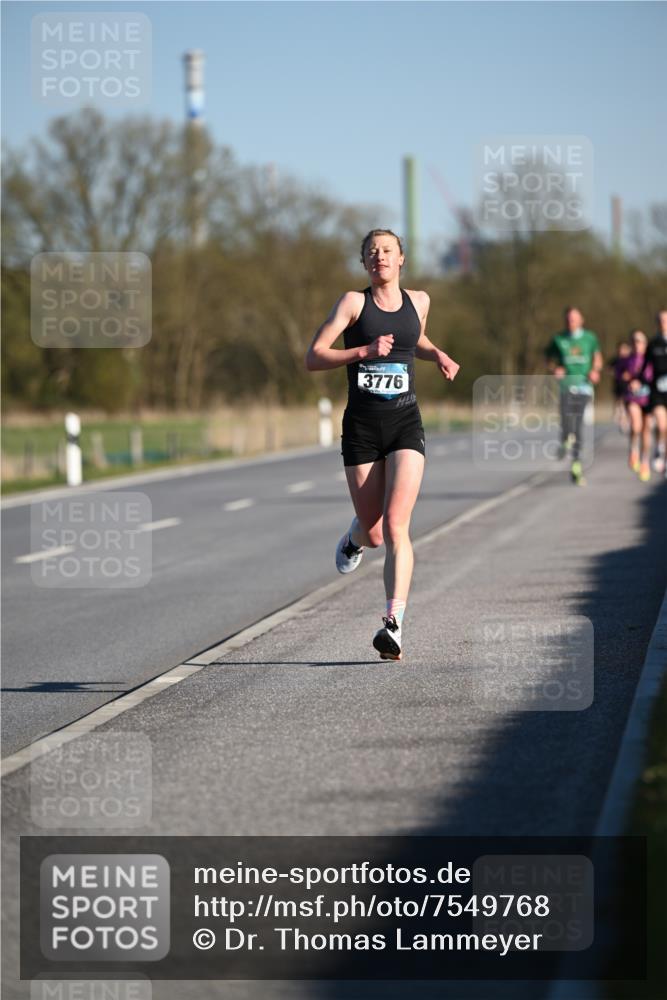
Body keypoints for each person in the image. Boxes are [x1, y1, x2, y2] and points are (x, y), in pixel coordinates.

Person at [305, 228, 460, 660]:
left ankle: (393, 625)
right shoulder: (353, 304)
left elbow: (414, 339)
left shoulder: (420, 301)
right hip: (361, 428)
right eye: (372, 252)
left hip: (405, 424)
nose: (380, 257)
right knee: (373, 532)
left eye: (387, 250)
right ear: (364, 262)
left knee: (396, 526)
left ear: (401, 258)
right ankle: (354, 538)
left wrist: (438, 354)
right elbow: (314, 356)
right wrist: (364, 352)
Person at [545, 307, 603, 485]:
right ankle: (565, 440)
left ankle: (576, 465)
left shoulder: (590, 338)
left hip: (583, 386)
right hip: (565, 386)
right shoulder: (558, 339)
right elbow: (548, 359)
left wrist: (595, 371)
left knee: (577, 426)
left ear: (581, 320)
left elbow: (598, 358)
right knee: (565, 421)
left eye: (574, 318)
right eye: (568, 319)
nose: (571, 321)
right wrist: (555, 369)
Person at [615, 330, 653, 481]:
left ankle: (645, 462)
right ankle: (634, 449)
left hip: (648, 399)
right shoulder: (626, 360)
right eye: (634, 341)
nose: (637, 345)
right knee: (636, 425)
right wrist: (626, 379)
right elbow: (618, 376)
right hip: (632, 398)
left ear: (645, 344)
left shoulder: (650, 359)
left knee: (646, 431)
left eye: (640, 342)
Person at [643, 309, 667, 477]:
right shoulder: (653, 344)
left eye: (666, 320)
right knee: (662, 425)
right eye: (660, 320)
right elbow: (645, 367)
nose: (663, 323)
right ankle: (658, 447)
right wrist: (640, 380)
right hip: (657, 391)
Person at [608, 339, 632, 433]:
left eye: (624, 349)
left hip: (628, 386)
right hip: (618, 386)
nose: (622, 351)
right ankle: (622, 422)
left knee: (627, 405)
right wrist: (614, 372)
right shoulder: (616, 360)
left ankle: (627, 420)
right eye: (620, 349)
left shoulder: (630, 360)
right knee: (620, 404)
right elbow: (609, 368)